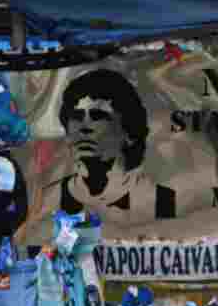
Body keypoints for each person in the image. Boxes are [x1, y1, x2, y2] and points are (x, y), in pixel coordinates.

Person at [56, 68, 175, 224]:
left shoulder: (160, 198)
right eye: (76, 117)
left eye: (98, 116)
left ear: (127, 129)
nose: (85, 127)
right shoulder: (54, 195)